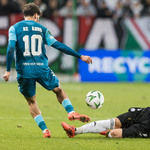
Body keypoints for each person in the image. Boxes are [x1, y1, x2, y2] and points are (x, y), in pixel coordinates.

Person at [3, 3, 93, 138]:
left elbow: (10, 49)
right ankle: (71, 112)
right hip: (41, 67)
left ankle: (45, 130)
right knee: (58, 89)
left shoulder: (14, 28)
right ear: (35, 15)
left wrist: (8, 70)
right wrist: (80, 56)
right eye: (38, 16)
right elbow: (58, 45)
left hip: (24, 71)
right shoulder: (42, 29)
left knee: (31, 101)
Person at [61, 51, 150, 141]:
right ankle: (75, 131)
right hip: (147, 112)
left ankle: (106, 131)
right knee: (114, 122)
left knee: (114, 133)